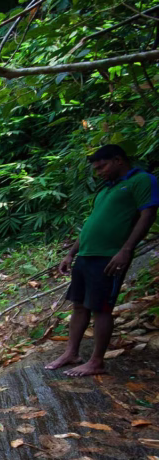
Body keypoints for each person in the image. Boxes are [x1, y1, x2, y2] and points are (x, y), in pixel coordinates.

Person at [46, 144, 158, 376]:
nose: (99, 172)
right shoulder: (106, 190)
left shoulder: (141, 181)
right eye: (96, 169)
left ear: (118, 160)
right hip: (86, 256)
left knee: (101, 308)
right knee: (79, 306)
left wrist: (126, 250)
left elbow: (147, 215)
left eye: (102, 166)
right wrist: (71, 253)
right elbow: (91, 224)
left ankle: (97, 361)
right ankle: (71, 352)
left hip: (109, 256)